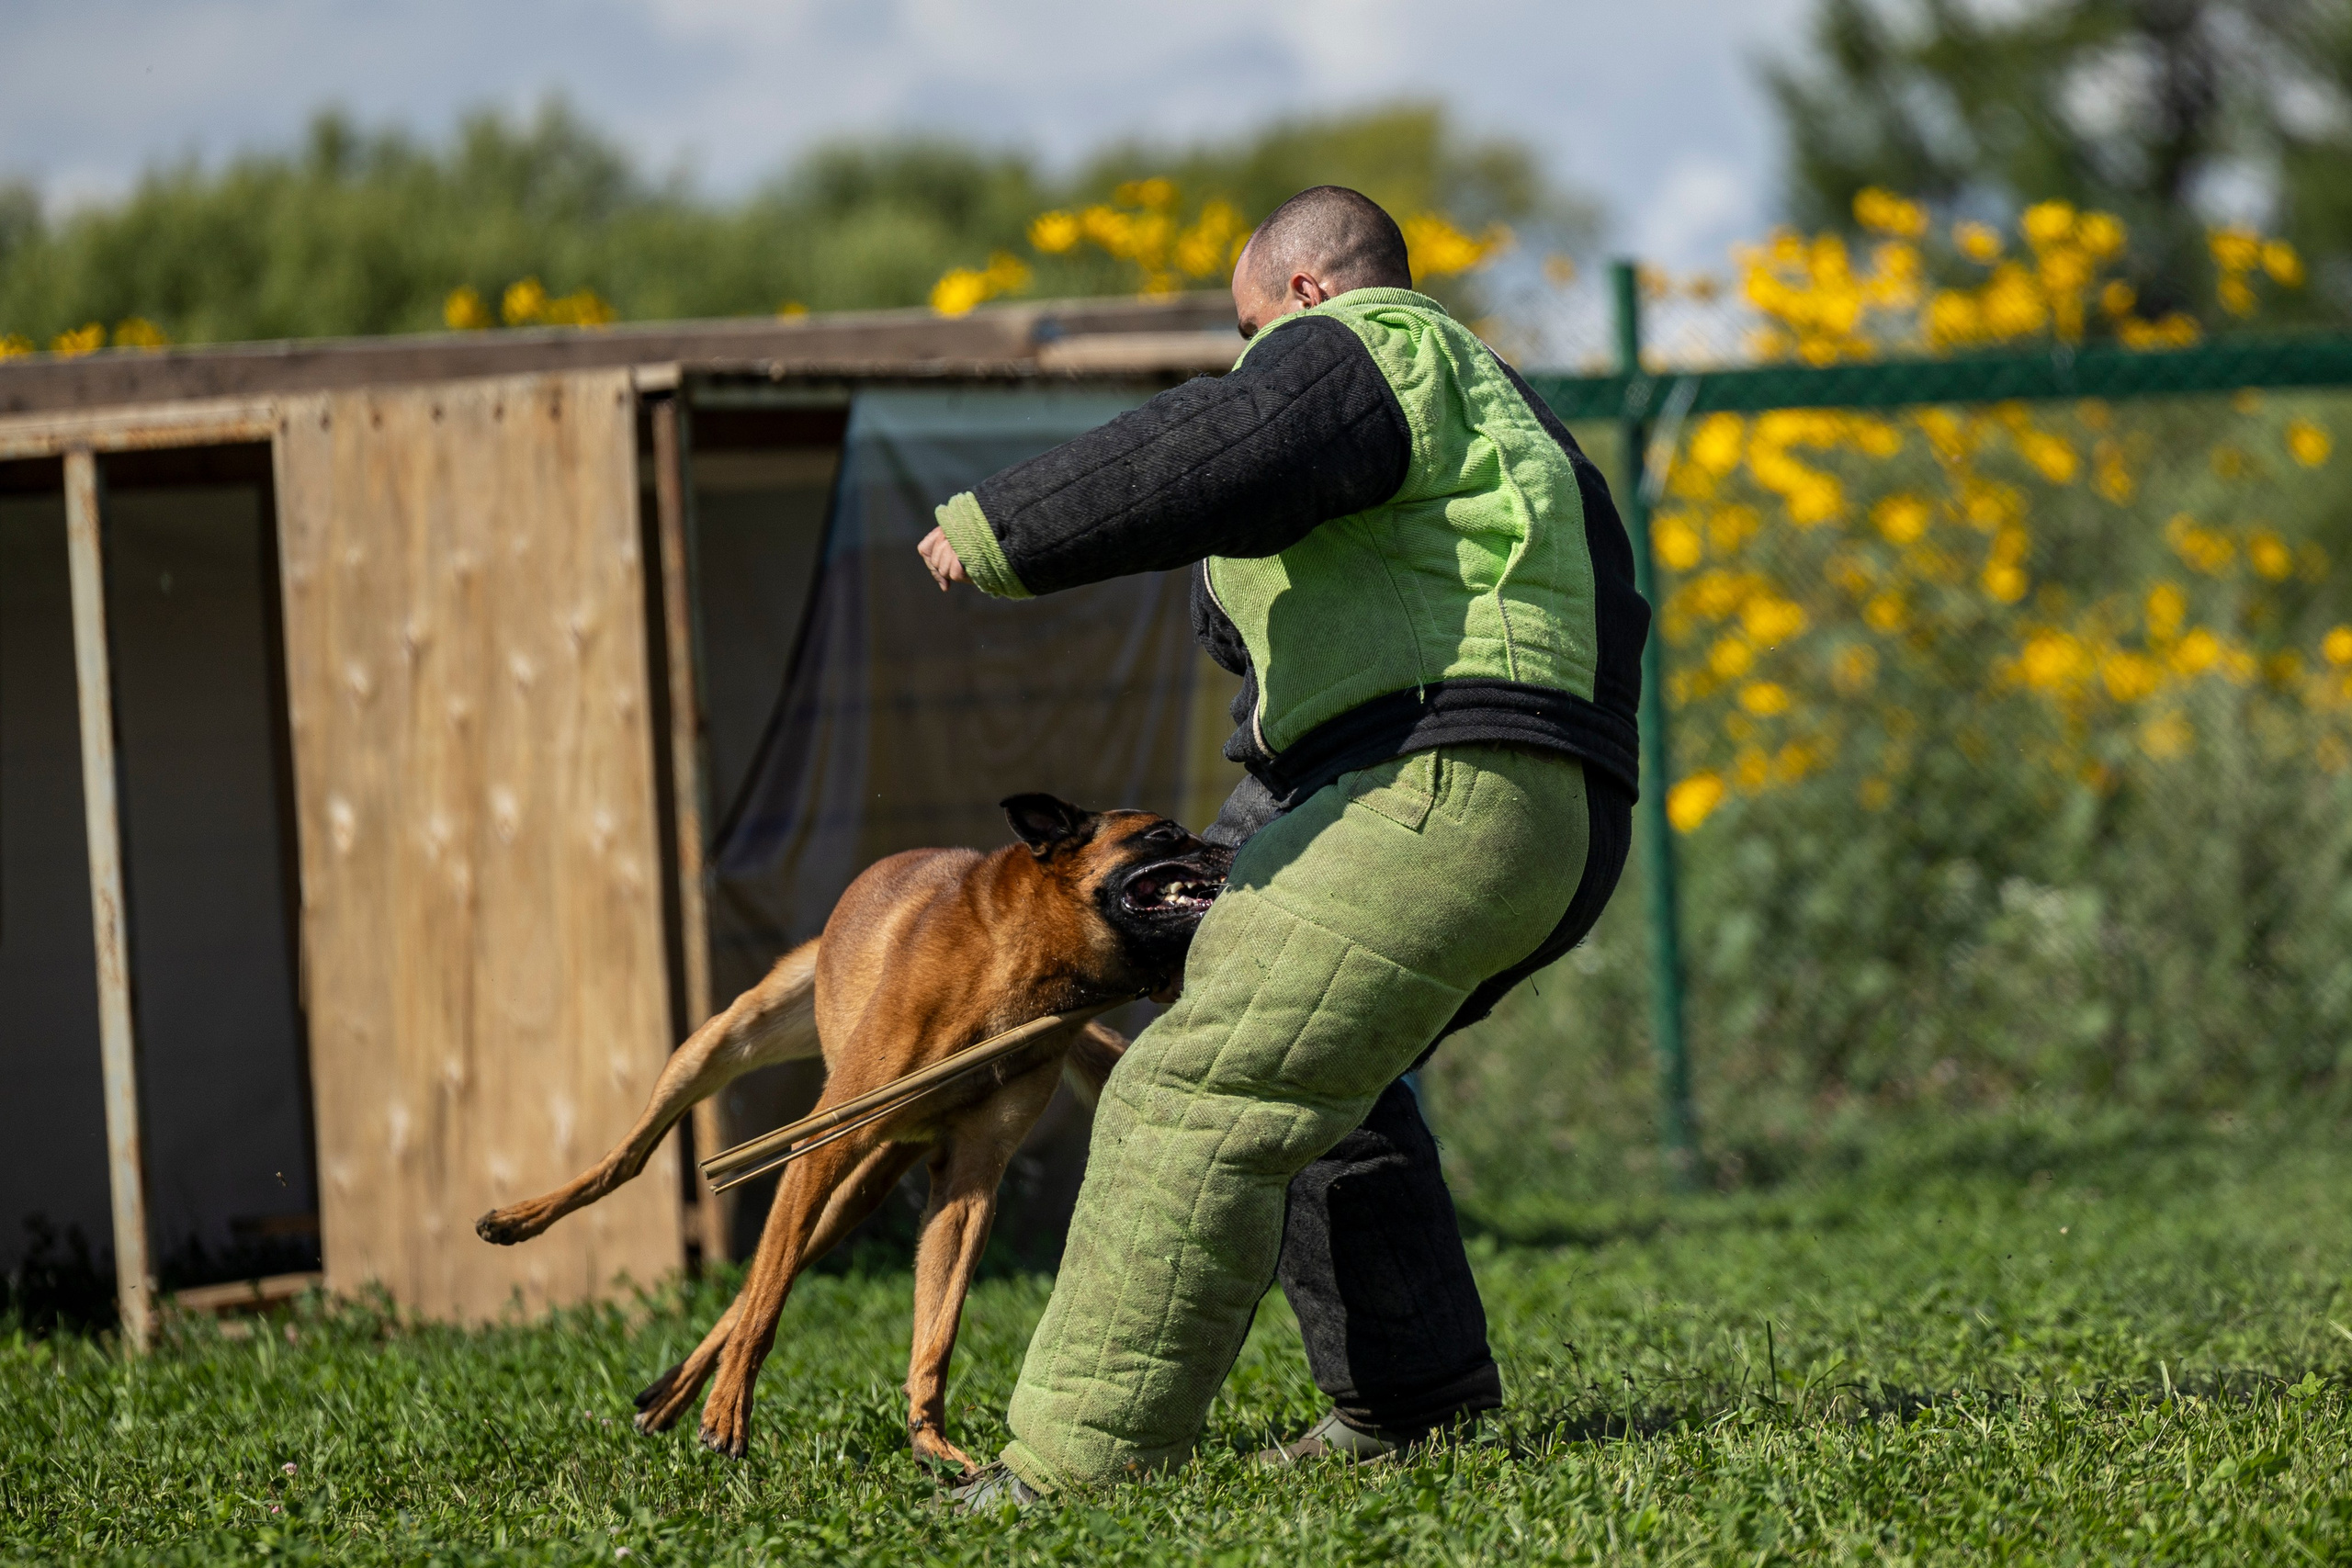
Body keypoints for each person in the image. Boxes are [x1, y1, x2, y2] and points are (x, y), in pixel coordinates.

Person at [916, 186, 1647, 1506]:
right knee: (1318, 1076)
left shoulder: (1380, 343)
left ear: (1311, 295)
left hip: (1439, 784)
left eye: (1255, 330)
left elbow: (1234, 437)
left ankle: (1076, 1469)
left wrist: (1001, 528)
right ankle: (1412, 1402)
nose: (1252, 359)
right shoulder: (1496, 423)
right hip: (1530, 799)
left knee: (1191, 1096)